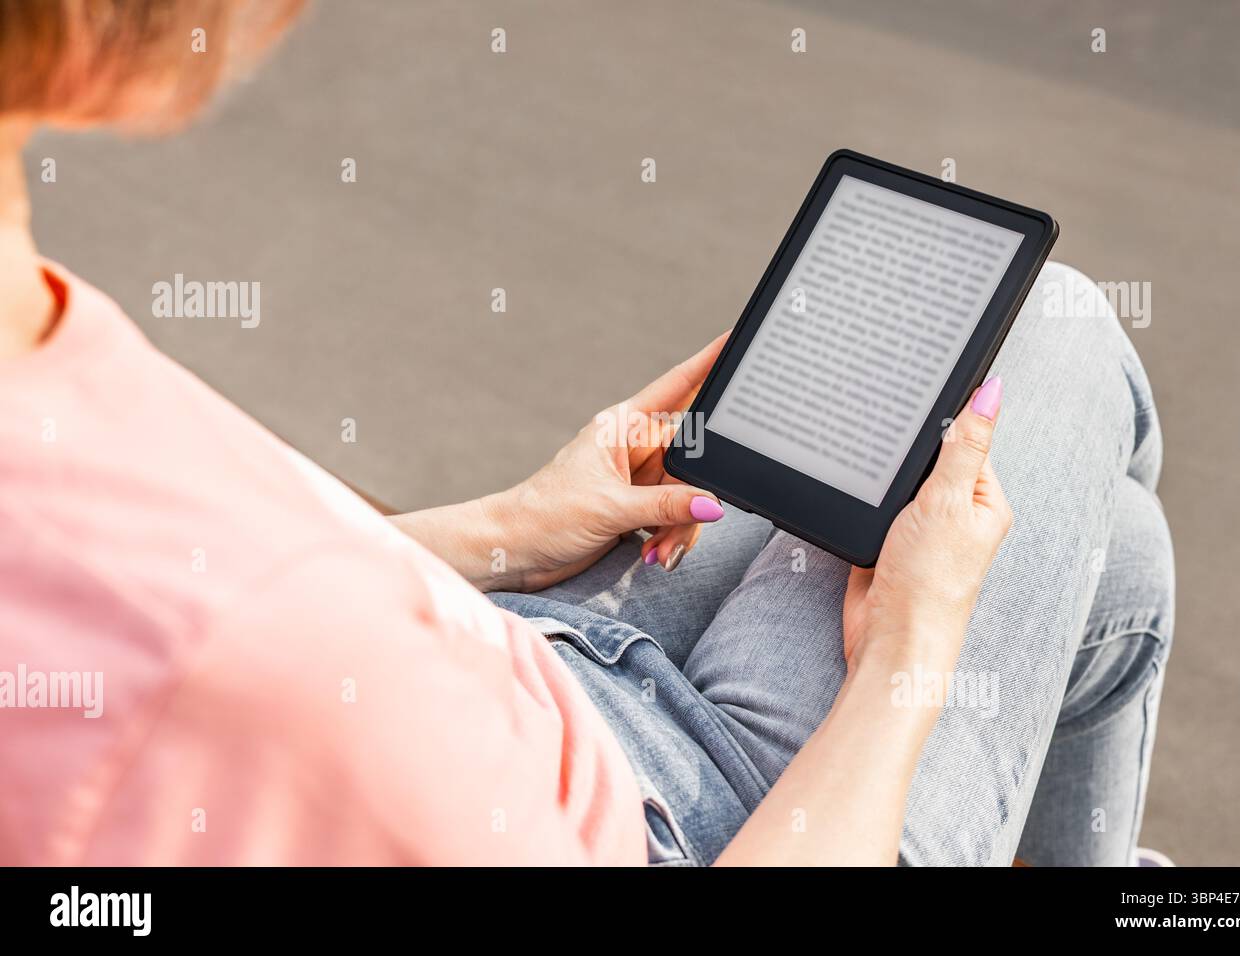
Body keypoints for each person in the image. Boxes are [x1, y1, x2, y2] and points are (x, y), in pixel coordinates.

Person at [0, 0, 1173, 866]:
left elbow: (215, 580)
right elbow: (237, 636)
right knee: (1057, 328)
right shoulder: (237, 668)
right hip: (711, 818)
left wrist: (507, 529)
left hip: (526, 657)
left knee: (1107, 554)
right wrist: (909, 657)